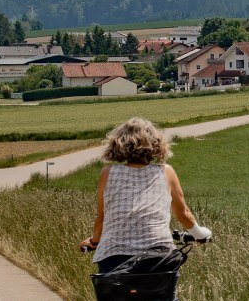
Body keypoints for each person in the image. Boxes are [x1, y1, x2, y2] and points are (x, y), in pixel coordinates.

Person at [79, 117, 213, 273]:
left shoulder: (107, 173)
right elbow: (183, 214)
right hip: (158, 256)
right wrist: (199, 234)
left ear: (118, 144)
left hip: (114, 258)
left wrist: (95, 241)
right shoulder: (165, 171)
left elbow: (102, 217)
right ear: (156, 144)